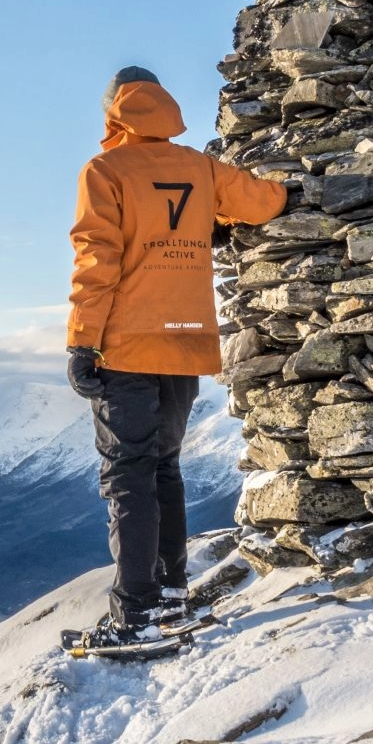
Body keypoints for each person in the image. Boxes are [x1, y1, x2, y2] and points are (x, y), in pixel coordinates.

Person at [66, 66, 287, 651]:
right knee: (163, 467)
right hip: (187, 341)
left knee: (128, 475)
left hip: (127, 347)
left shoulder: (105, 171)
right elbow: (266, 203)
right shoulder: (200, 167)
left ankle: (134, 616)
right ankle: (171, 595)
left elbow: (98, 259)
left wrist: (81, 342)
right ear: (162, 107)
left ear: (114, 109)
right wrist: (213, 220)